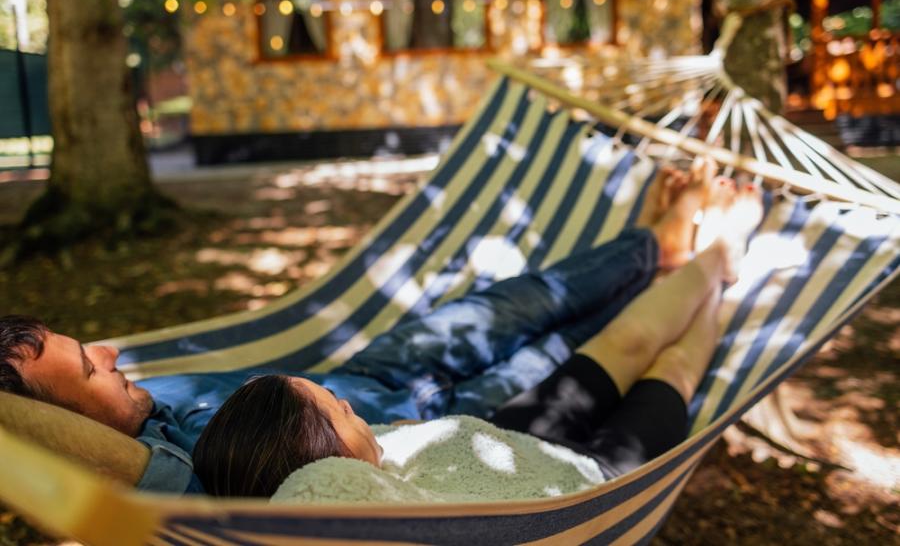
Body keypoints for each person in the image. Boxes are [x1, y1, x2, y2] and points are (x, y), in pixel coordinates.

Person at [0, 159, 727, 494]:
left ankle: (656, 249)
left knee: (525, 299)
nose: (111, 350)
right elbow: (39, 442)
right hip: (446, 426)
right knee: (560, 347)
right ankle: (665, 262)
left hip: (367, 375)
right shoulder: (153, 483)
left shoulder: (140, 408)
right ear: (70, 434)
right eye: (88, 369)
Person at [192, 172, 764, 500]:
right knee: (672, 371)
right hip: (588, 482)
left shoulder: (374, 457)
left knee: (631, 340)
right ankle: (720, 260)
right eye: (337, 410)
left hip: (507, 437)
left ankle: (701, 258)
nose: (346, 402)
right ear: (329, 467)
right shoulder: (378, 508)